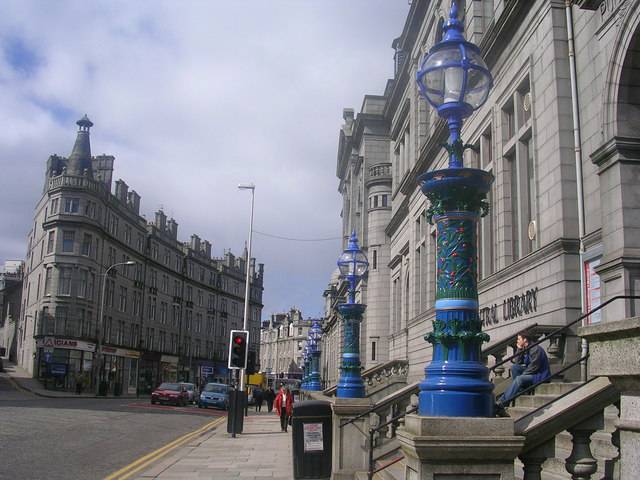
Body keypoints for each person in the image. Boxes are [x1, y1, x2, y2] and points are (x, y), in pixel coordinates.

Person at [496, 332, 551, 415]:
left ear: (525, 339)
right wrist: (519, 349)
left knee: (519, 379)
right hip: (531, 373)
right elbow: (517, 362)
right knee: (514, 367)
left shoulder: (535, 349)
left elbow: (534, 367)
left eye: (519, 339)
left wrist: (521, 377)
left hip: (540, 375)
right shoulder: (525, 348)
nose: (517, 341)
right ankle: (520, 390)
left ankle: (503, 402)